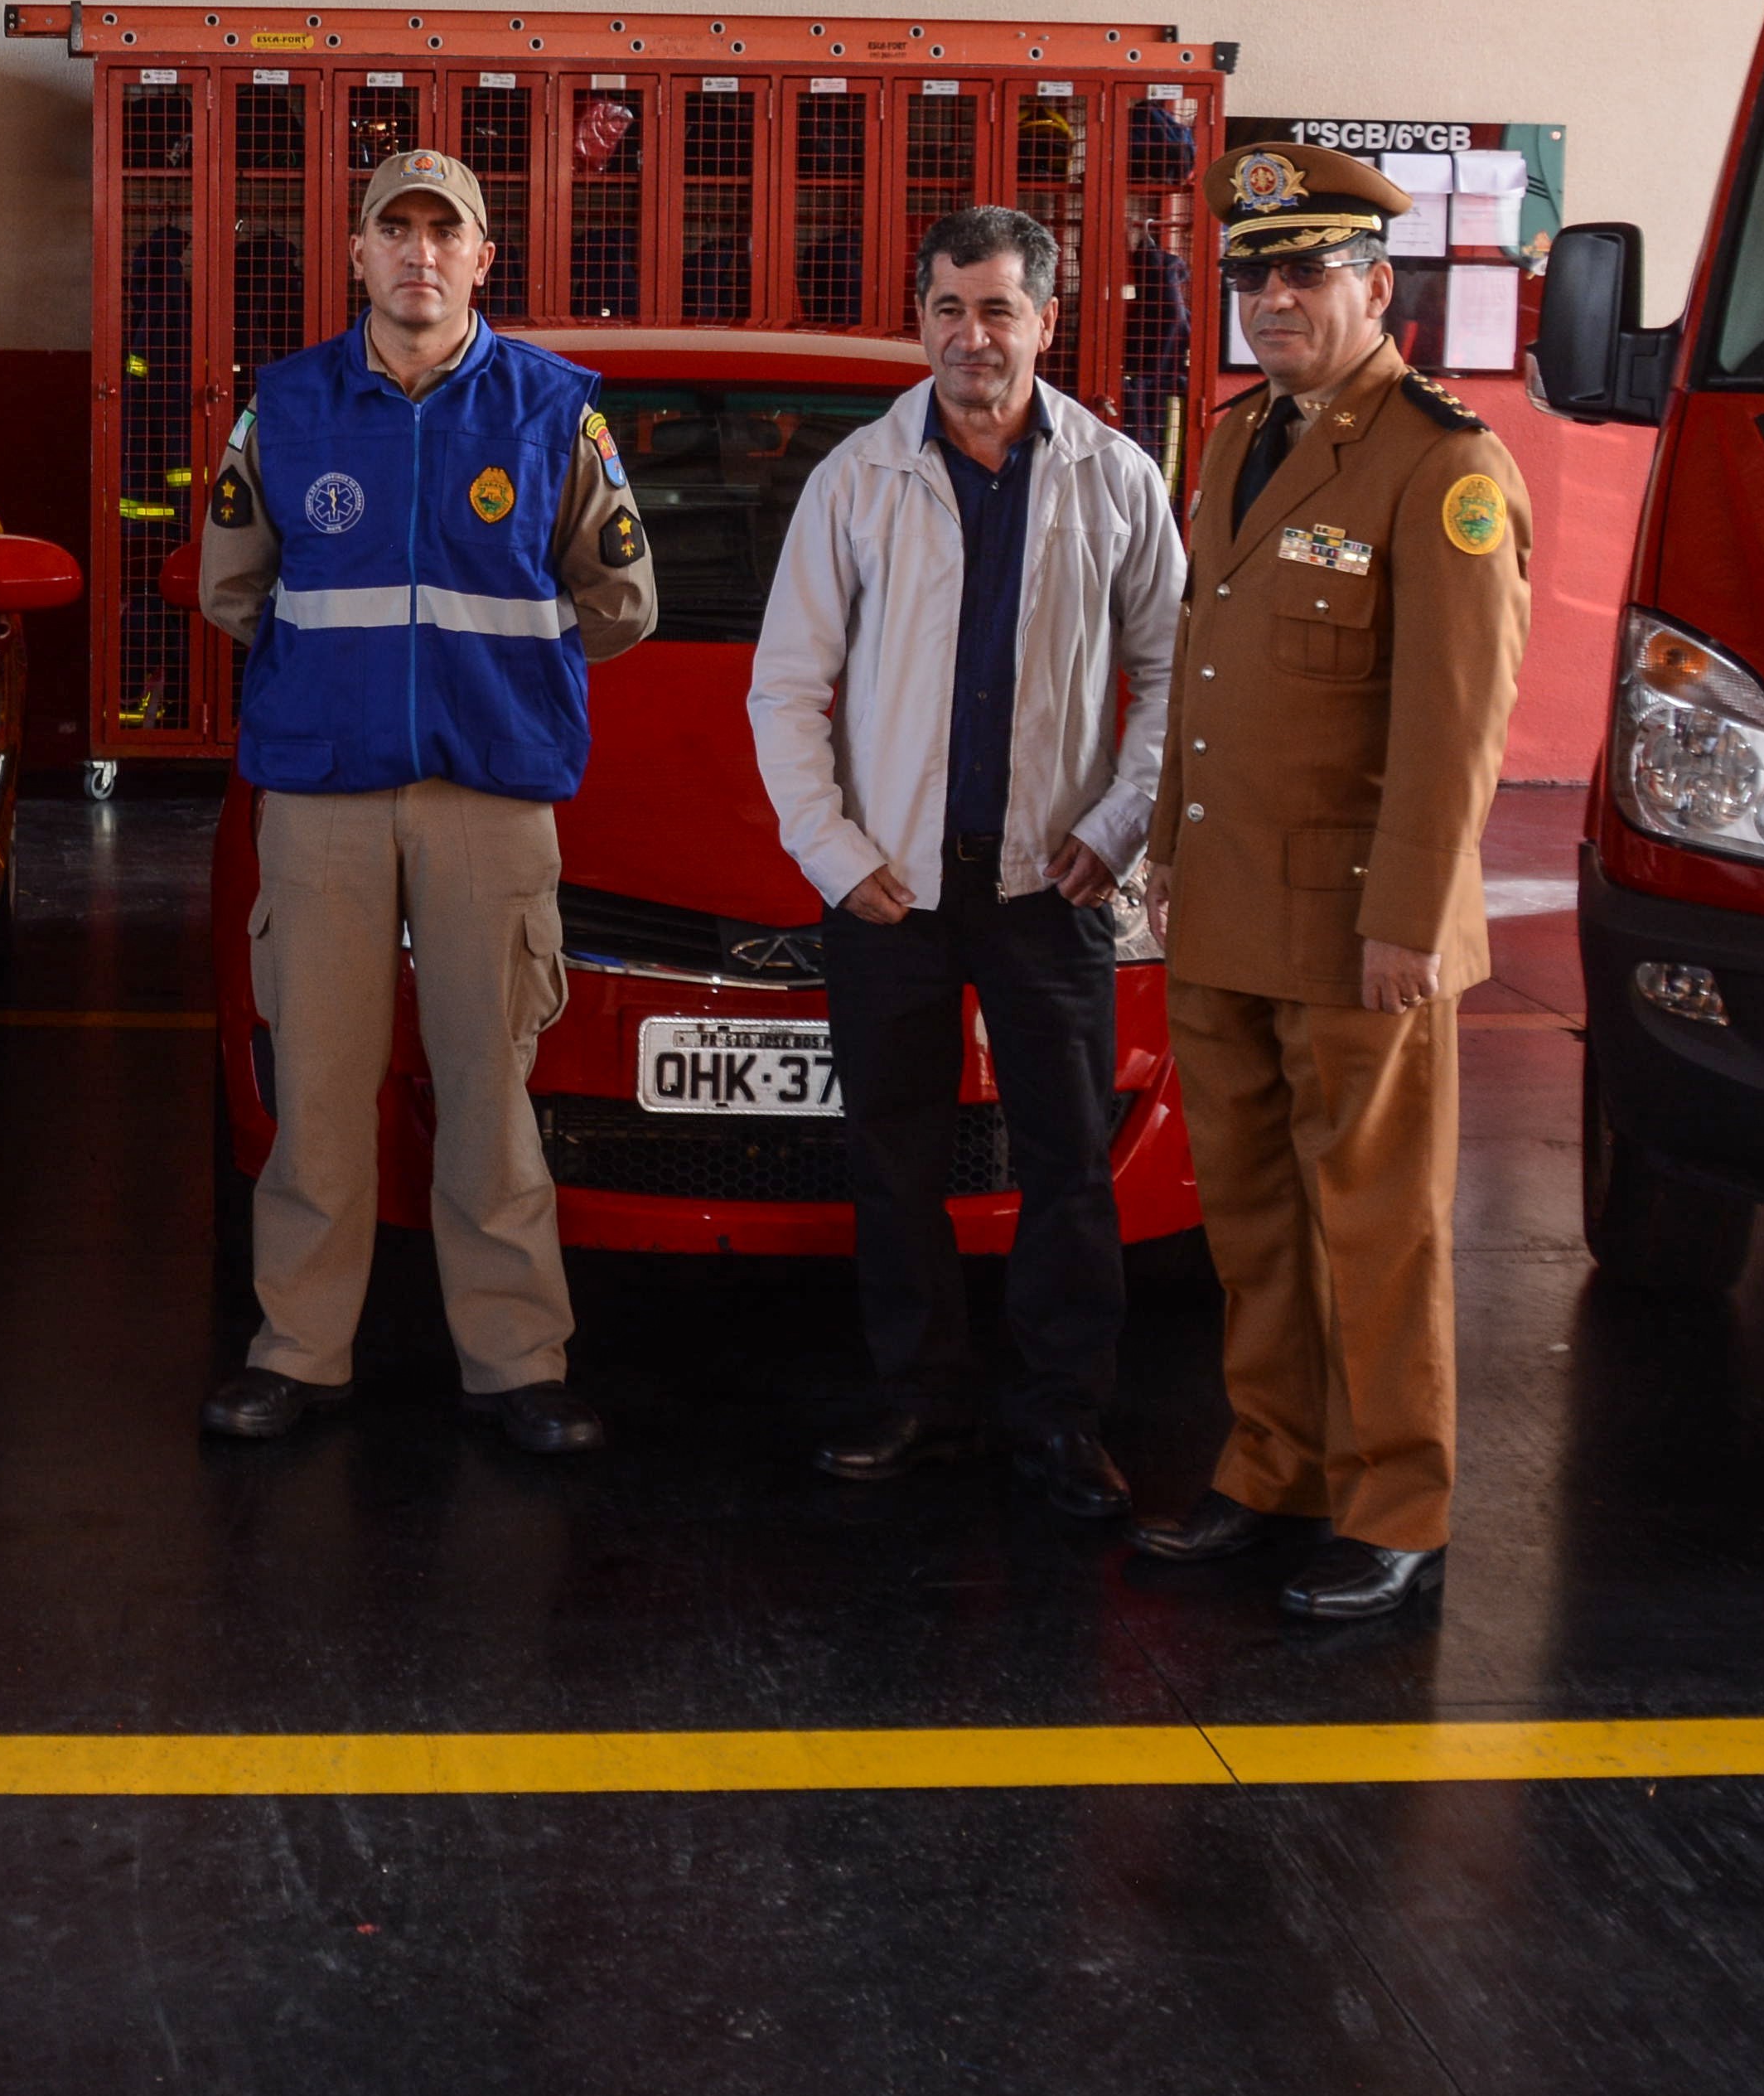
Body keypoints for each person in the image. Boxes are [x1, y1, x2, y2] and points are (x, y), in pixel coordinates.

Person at [196, 148, 657, 1455]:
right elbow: (233, 586)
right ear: (355, 256)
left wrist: (495, 682)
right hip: (323, 794)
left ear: (481, 259)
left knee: (488, 1091)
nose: (416, 254)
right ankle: (299, 1349)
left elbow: (623, 604)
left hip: (486, 793)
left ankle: (517, 1363)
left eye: (440, 233)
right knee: (320, 1089)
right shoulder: (283, 407)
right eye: (391, 231)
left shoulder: (555, 408)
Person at [1132, 142, 1527, 1618]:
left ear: (1378, 285)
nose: (1275, 299)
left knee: (1372, 1219)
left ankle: (1394, 1502)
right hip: (1231, 903)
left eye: (1306, 272)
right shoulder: (1241, 441)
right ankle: (1272, 1467)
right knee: (1250, 1214)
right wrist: (1168, 845)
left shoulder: (1443, 466)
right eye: (1254, 275)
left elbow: (1455, 724)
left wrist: (1411, 923)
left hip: (1362, 922)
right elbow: (1204, 673)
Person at [746, 201, 1185, 1503]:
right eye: (948, 308)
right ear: (918, 319)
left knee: (1067, 1162)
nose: (972, 336)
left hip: (1053, 886)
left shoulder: (1117, 479)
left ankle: (1062, 1415)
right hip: (894, 891)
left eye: (998, 310)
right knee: (893, 1156)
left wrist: (1117, 827)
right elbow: (786, 686)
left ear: (1047, 322)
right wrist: (833, 851)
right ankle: (920, 1400)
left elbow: (1174, 679)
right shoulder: (857, 477)